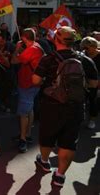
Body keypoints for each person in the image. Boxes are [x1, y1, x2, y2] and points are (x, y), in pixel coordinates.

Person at [32, 26, 97, 188]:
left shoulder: (48, 59)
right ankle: (60, 176)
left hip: (51, 106)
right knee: (68, 143)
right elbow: (95, 83)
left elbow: (35, 81)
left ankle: (45, 161)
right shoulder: (85, 60)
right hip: (75, 107)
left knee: (47, 137)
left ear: (56, 40)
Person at [10, 28, 44, 153]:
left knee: (23, 113)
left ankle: (23, 139)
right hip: (34, 84)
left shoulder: (31, 50)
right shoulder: (37, 46)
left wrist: (17, 49)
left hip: (27, 84)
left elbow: (14, 60)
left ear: (24, 38)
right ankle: (28, 134)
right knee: (30, 109)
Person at [79, 36, 99, 129]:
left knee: (93, 101)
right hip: (83, 82)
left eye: (87, 47)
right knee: (80, 101)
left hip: (96, 83)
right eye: (84, 47)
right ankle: (79, 119)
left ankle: (92, 120)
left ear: (94, 46)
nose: (85, 49)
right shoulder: (83, 55)